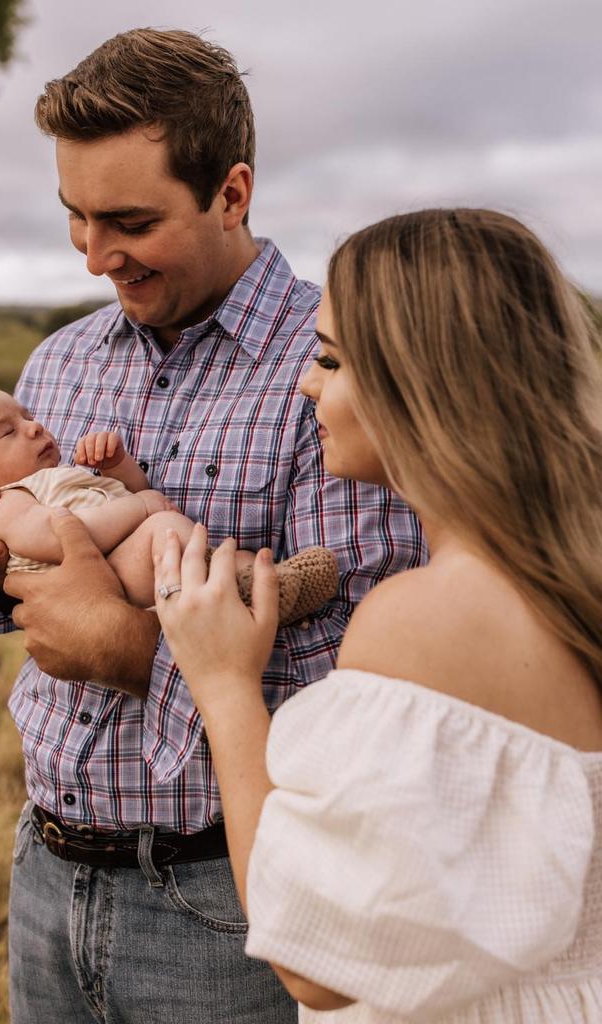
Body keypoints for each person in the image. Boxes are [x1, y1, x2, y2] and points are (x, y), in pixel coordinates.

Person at [0, 29, 424, 1024]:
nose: (96, 254)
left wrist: (132, 648)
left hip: (228, 906)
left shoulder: (333, 369)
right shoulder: (58, 364)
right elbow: (18, 596)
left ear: (231, 194)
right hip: (47, 869)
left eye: (129, 220)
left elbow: (366, 685)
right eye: (74, 215)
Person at [153, 208, 602, 1022]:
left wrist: (223, 684)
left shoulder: (424, 618)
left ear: (422, 381)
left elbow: (313, 962)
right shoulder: (571, 578)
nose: (305, 383)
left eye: (329, 357)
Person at [0, 387, 339, 619]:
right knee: (161, 532)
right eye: (8, 432)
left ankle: (266, 587)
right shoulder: (6, 504)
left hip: (135, 566)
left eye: (28, 417)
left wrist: (119, 468)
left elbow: (135, 491)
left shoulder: (56, 479)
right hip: (110, 581)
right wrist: (141, 509)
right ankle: (249, 593)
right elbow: (61, 538)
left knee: (227, 555)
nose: (33, 428)